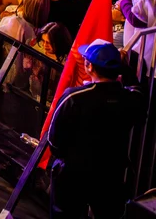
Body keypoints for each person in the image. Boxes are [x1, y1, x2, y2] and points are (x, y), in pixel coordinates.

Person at [47, 39, 144, 219]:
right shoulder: (129, 99)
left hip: (73, 175)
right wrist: (124, 68)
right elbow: (138, 91)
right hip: (110, 175)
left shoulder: (73, 97)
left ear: (89, 67)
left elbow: (53, 141)